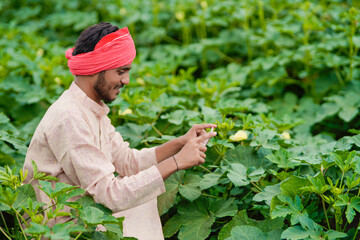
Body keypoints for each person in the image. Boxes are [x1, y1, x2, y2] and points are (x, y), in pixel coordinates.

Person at [23, 22, 217, 240]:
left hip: (83, 216)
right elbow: (109, 195)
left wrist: (179, 144)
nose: (126, 80)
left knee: (141, 200)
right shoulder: (69, 117)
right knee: (136, 201)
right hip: (62, 230)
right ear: (96, 68)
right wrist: (177, 162)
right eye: (121, 72)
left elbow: (127, 162)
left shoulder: (90, 108)